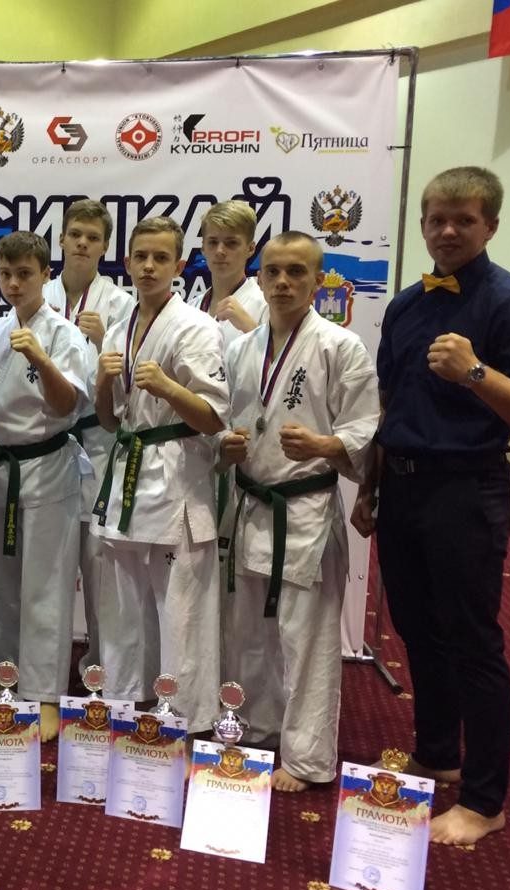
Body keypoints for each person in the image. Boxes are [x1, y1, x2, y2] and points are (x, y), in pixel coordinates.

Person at [352, 166, 510, 844]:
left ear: (489, 226)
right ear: (422, 224)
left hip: (467, 487)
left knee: (472, 641)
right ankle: (438, 752)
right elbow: (389, 403)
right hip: (404, 484)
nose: (447, 231)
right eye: (436, 219)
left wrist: (475, 372)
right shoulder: (407, 305)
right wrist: (371, 485)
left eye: (463, 220)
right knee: (417, 629)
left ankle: (485, 799)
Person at [218, 231, 379, 791]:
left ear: (317, 281)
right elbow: (227, 419)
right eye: (274, 272)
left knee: (307, 640)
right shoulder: (241, 348)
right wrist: (226, 445)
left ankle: (308, 758)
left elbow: (365, 429)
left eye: (296, 272)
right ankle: (258, 727)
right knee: (249, 632)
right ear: (260, 279)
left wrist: (325, 445)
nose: (283, 282)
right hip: (251, 506)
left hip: (304, 511)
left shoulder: (341, 347)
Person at [91, 216, 227, 727]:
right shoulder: (120, 327)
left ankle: (186, 718)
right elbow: (110, 420)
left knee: (180, 611)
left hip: (176, 478)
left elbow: (214, 418)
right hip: (127, 473)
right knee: (122, 607)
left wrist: (169, 387)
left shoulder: (197, 327)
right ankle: (123, 703)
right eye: (141, 257)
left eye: (161, 258)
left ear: (180, 265)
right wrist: (102, 384)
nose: (149, 266)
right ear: (126, 262)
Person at [0, 232, 89, 741]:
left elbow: (67, 405)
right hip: (5, 468)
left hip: (47, 467)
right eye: (6, 274)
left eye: (24, 274)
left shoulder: (64, 334)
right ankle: (7, 677)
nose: (14, 284)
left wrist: (41, 358)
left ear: (46, 275)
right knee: (2, 582)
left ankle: (45, 695)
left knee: (46, 586)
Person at [41, 199, 134, 673]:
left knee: (99, 563)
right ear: (60, 239)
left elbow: (132, 383)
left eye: (93, 237)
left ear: (105, 246)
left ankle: (102, 668)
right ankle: (45, 669)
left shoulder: (121, 305)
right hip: (48, 446)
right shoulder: (39, 296)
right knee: (49, 566)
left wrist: (101, 340)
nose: (82, 243)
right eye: (75, 234)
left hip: (99, 444)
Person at [188, 199, 267, 349]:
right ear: (203, 248)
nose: (220, 251)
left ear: (251, 249)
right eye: (213, 242)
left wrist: (250, 328)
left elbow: (282, 361)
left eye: (231, 243)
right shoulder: (191, 308)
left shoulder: (265, 304)